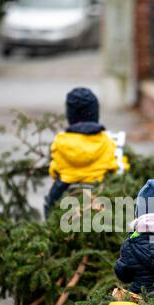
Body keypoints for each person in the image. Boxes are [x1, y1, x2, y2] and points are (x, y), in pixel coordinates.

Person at [45, 87, 128, 217]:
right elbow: (118, 165)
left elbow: (54, 169)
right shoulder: (107, 140)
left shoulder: (59, 140)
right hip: (101, 187)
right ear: (95, 114)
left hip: (65, 187)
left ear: (70, 115)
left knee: (50, 204)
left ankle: (49, 225)